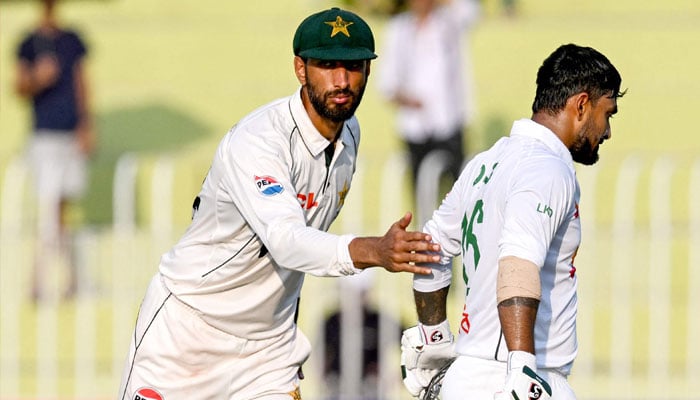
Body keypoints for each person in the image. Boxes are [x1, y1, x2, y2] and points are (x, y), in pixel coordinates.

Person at [118, 7, 442, 400]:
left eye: (353, 66)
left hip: (267, 353)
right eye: (326, 65)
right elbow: (286, 240)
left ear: (368, 71)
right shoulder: (258, 142)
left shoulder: (350, 134)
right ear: (300, 69)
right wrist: (374, 250)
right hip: (188, 335)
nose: (341, 81)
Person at [399, 43, 624, 399]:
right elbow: (518, 264)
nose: (607, 131)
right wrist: (521, 366)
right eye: (607, 113)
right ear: (581, 105)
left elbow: (431, 247)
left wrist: (434, 335)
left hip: (466, 375)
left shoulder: (484, 164)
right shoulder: (548, 170)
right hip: (520, 378)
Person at [14, 0, 96, 302]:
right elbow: (18, 86)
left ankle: (71, 280)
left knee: (62, 210)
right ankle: (38, 281)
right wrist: (38, 77)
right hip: (45, 138)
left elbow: (81, 82)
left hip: (70, 136)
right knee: (50, 210)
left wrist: (87, 125)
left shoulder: (71, 39)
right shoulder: (28, 42)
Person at [376, 0, 480, 192]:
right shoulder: (398, 29)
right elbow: (386, 83)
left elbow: (470, 11)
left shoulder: (449, 23)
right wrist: (406, 99)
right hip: (414, 127)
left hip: (449, 123)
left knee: (460, 191)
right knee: (423, 194)